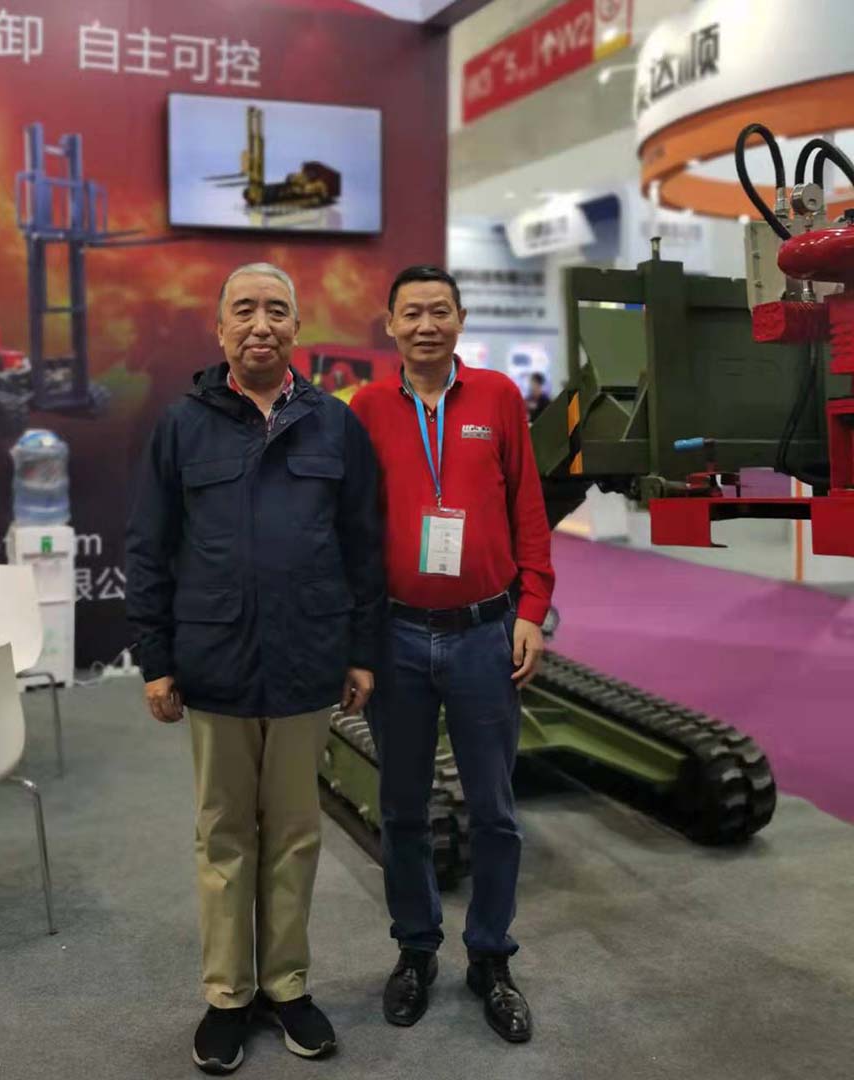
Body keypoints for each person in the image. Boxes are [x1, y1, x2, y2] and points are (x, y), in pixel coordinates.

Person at [125, 262, 385, 1075]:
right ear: (220, 328)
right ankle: (228, 997)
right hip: (217, 664)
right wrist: (157, 659)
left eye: (277, 310)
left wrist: (361, 650)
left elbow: (363, 546)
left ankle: (287, 986)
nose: (261, 324)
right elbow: (149, 548)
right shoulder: (182, 426)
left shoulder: (334, 427)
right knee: (224, 835)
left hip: (308, 662)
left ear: (298, 329)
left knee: (296, 834)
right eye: (245, 310)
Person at [350, 265, 554, 1044]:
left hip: (482, 634)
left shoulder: (497, 398)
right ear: (391, 325)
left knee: (495, 811)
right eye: (412, 313)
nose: (427, 325)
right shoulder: (367, 408)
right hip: (397, 636)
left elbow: (528, 509)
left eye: (440, 311)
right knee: (402, 808)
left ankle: (491, 957)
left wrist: (531, 609)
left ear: (460, 320)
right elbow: (355, 527)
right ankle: (416, 949)